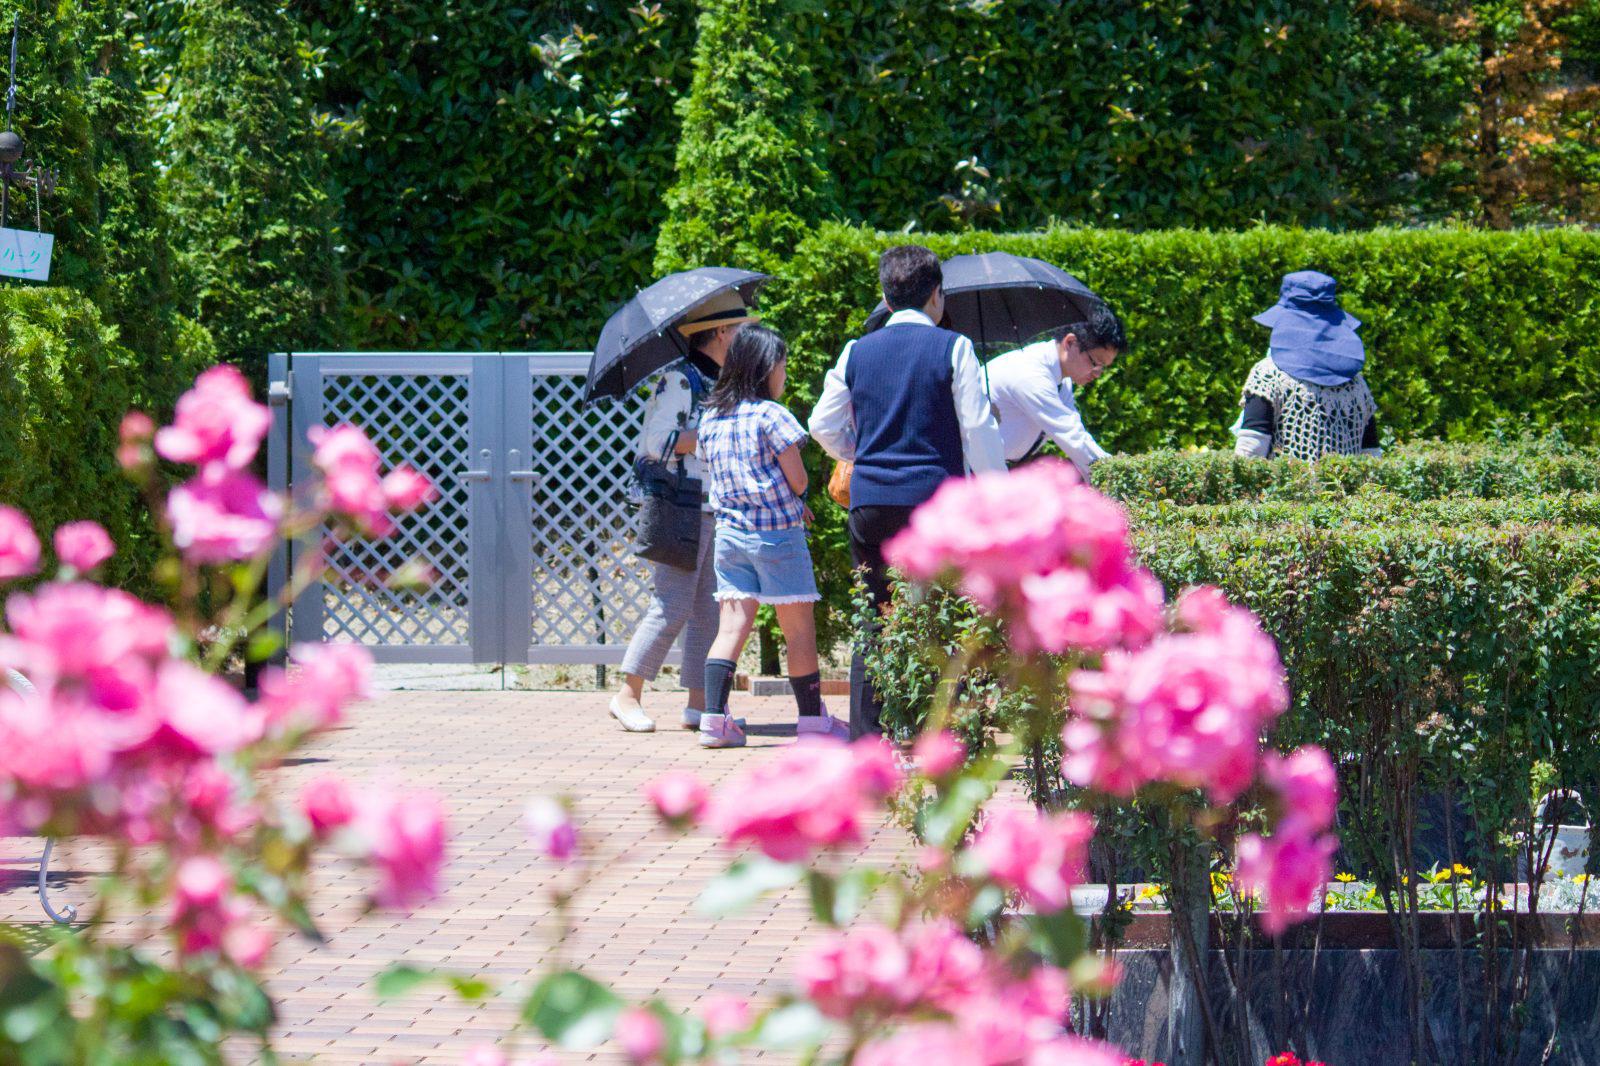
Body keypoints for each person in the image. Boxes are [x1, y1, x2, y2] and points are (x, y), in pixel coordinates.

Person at [809, 245, 1007, 740]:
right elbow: (978, 430)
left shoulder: (856, 350)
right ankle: (940, 739)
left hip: (872, 502)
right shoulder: (954, 347)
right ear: (937, 295)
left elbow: (820, 425)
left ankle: (867, 743)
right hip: (936, 505)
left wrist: (861, 449)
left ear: (885, 294)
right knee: (943, 619)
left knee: (873, 618)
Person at [609, 290, 758, 733]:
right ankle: (626, 694)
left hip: (715, 507)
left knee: (709, 611)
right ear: (721, 333)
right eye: (741, 331)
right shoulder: (680, 381)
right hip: (682, 507)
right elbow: (655, 445)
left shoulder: (722, 385)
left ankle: (699, 703)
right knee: (671, 605)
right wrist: (712, 433)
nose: (747, 339)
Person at [694, 324, 845, 749]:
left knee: (731, 627)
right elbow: (796, 479)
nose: (784, 374)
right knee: (798, 632)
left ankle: (713, 720)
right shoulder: (770, 414)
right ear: (764, 368)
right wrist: (798, 496)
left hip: (730, 534)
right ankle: (813, 722)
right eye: (782, 365)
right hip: (776, 535)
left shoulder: (711, 416)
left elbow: (718, 474)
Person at [1231, 270, 1381, 462]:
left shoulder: (1268, 375)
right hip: (1347, 491)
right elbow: (1372, 455)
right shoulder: (1356, 384)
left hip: (1285, 491)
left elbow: (1251, 449)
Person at [986, 304, 1128, 475]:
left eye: (1103, 368)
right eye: (1095, 363)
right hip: (971, 471)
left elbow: (1074, 430)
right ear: (1070, 342)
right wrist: (1119, 474)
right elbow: (1068, 433)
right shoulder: (1031, 374)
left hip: (999, 468)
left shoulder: (1061, 378)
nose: (1097, 374)